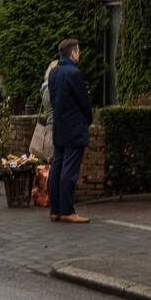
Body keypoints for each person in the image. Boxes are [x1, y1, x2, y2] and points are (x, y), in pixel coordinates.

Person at [47, 39, 92, 223]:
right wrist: (88, 119)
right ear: (72, 53)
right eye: (78, 51)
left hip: (59, 127)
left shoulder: (54, 73)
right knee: (69, 170)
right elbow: (83, 101)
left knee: (56, 168)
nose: (79, 54)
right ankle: (67, 210)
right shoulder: (74, 73)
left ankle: (55, 209)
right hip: (74, 127)